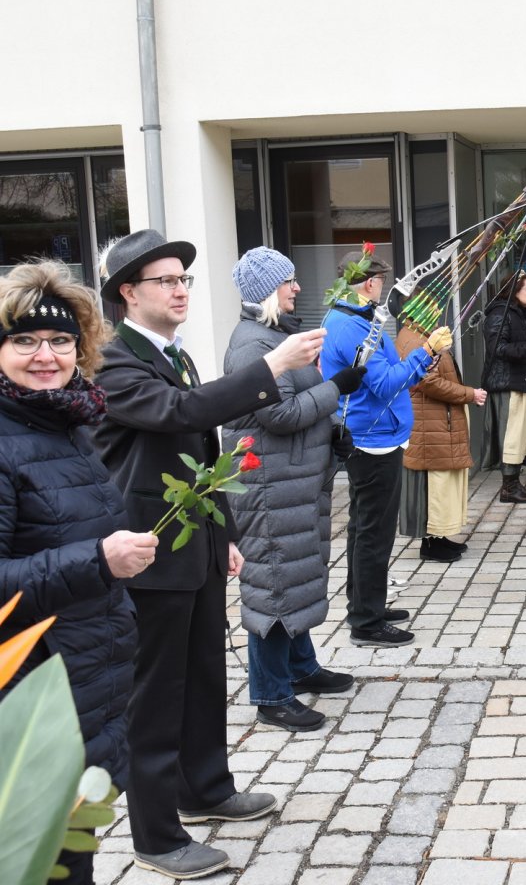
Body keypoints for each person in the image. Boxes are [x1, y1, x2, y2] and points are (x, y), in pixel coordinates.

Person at [93, 229, 327, 879]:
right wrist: (273, 366)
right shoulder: (113, 360)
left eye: (183, 279)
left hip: (191, 547)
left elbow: (202, 447)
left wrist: (223, 532)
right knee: (156, 692)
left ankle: (206, 789)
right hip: (147, 553)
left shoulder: (174, 353)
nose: (179, 289)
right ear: (127, 294)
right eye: (164, 280)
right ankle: (157, 834)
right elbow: (178, 412)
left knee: (202, 677)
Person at [0, 260, 159, 885]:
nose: (46, 355)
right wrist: (96, 561)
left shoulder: (65, 424)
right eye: (24, 340)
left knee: (71, 857)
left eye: (61, 340)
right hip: (30, 699)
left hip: (86, 687)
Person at [222, 248, 366, 732]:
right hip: (267, 488)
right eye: (288, 281)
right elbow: (277, 415)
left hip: (293, 482)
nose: (297, 288)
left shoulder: (277, 335)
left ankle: (301, 668)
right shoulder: (251, 345)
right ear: (267, 289)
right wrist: (336, 390)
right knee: (274, 584)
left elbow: (296, 404)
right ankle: (270, 695)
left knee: (296, 577)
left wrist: (330, 430)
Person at [320, 250, 447, 648]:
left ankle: (364, 602)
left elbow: (389, 374)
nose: (383, 287)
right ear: (370, 284)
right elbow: (384, 384)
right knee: (374, 533)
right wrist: (425, 352)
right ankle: (367, 621)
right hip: (372, 441)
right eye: (381, 281)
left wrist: (420, 363)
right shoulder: (352, 327)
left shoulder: (352, 318)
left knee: (364, 528)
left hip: (372, 435)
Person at [396, 320, 486, 562]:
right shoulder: (417, 338)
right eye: (432, 306)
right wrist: (470, 394)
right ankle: (432, 543)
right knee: (434, 485)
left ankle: (439, 538)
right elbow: (427, 380)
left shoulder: (421, 332)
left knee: (442, 483)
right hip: (431, 423)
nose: (438, 312)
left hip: (434, 421)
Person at [483, 270, 526, 503]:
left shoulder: (521, 314)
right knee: (513, 436)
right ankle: (508, 488)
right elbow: (497, 349)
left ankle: (514, 483)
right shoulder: (499, 314)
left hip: (522, 379)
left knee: (522, 434)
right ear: (514, 291)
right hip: (509, 383)